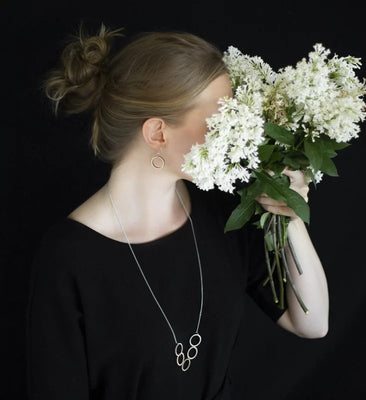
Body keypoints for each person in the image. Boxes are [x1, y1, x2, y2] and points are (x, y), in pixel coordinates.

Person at [25, 23, 329, 400]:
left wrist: (290, 213)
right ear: (157, 134)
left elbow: (312, 323)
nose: (237, 131)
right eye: (220, 119)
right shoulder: (69, 259)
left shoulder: (223, 211)